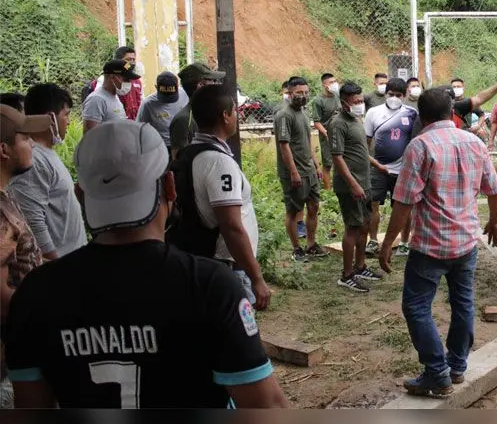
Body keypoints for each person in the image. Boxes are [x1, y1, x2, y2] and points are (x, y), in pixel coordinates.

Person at [3, 121, 288, 408]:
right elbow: (267, 407)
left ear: (80, 194)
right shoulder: (209, 285)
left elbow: (31, 408)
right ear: (169, 187)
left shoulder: (35, 294)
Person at [378, 87, 497, 397]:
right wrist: (494, 222)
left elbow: (404, 201)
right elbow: (495, 189)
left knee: (417, 306)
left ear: (421, 116)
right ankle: (457, 367)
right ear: (452, 113)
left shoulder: (420, 147)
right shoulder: (474, 142)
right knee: (463, 303)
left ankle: (437, 373)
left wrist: (388, 242)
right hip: (466, 243)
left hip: (431, 246)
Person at [178, 84, 271, 310]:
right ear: (225, 116)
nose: (237, 117)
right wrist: (257, 278)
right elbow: (231, 225)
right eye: (234, 112)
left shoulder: (190, 152)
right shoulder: (218, 163)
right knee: (238, 336)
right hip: (227, 266)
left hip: (208, 261)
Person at [0, 105, 46, 408]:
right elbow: (1, 298)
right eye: (25, 139)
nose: (31, 144)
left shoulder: (5, 195)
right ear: (4, 150)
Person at [8, 84, 86, 261]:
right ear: (50, 117)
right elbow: (33, 220)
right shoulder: (34, 160)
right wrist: (54, 264)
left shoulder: (46, 153)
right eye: (65, 114)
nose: (69, 121)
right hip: (60, 267)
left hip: (73, 260)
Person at [328, 82, 383, 292]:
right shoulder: (338, 124)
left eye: (361, 100)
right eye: (355, 101)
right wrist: (353, 184)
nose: (360, 104)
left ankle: (360, 266)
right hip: (350, 186)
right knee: (353, 227)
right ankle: (347, 274)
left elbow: (359, 150)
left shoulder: (356, 120)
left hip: (365, 182)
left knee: (365, 224)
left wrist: (376, 164)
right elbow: (338, 157)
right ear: (344, 103)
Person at [363, 78, 418, 258]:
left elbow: (415, 141)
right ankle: (372, 240)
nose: (394, 98)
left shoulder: (411, 114)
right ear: (385, 94)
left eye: (398, 95)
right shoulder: (373, 112)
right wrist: (372, 163)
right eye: (391, 94)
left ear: (405, 95)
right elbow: (366, 142)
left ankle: (404, 242)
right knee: (373, 205)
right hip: (377, 168)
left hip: (402, 171)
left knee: (403, 208)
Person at [274, 77, 327, 262]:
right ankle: (296, 248)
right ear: (289, 93)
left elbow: (307, 140)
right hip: (294, 173)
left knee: (313, 207)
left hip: (309, 171)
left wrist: (316, 165)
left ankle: (311, 245)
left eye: (306, 92)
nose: (303, 96)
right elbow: (284, 145)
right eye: (299, 93)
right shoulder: (284, 115)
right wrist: (294, 172)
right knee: (293, 210)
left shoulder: (304, 113)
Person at [168, 63, 225, 159]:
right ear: (201, 85)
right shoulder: (184, 121)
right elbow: (179, 162)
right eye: (213, 81)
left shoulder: (210, 114)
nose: (216, 84)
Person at [82, 59, 141, 133]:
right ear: (112, 77)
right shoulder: (96, 100)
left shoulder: (114, 97)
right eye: (126, 79)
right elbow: (89, 136)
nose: (129, 83)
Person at [88, 46, 143, 120]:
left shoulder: (137, 81)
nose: (131, 63)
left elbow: (141, 101)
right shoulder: (104, 83)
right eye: (128, 59)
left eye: (133, 59)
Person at [137, 71, 189, 148]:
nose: (168, 101)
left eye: (171, 96)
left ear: (177, 87)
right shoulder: (148, 104)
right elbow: (140, 129)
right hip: (162, 146)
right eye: (165, 96)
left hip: (183, 143)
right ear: (156, 87)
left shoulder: (185, 94)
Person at [312, 73, 340, 192]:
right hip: (327, 137)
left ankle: (340, 188)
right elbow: (316, 122)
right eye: (331, 82)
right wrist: (326, 133)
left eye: (335, 81)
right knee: (328, 164)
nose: (334, 84)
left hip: (340, 135)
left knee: (341, 162)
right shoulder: (318, 101)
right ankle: (328, 191)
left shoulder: (339, 97)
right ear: (324, 85)